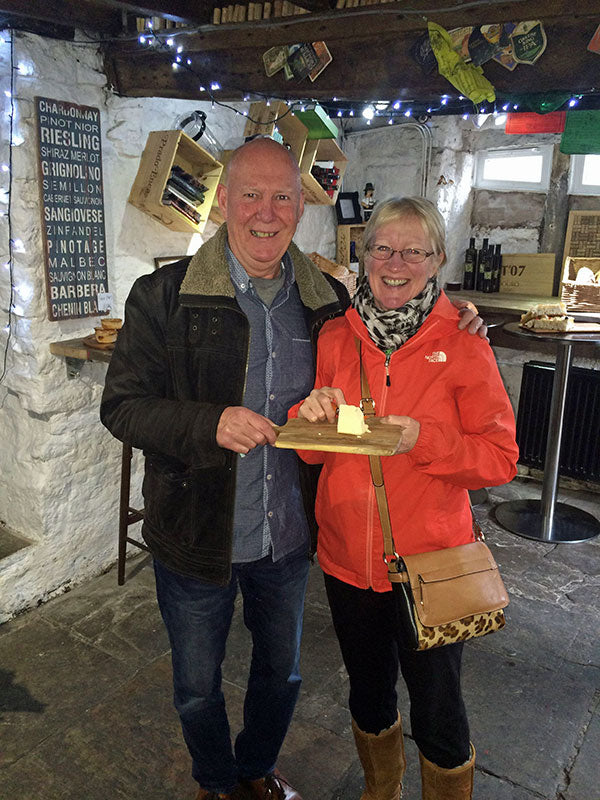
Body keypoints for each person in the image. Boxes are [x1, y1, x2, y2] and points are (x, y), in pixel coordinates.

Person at [100, 139, 489, 800]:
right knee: (197, 684)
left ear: (299, 209)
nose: (267, 211)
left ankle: (255, 768)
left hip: (289, 535)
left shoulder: (328, 305)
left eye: (283, 196)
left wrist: (459, 319)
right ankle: (216, 782)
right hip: (197, 533)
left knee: (280, 676)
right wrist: (207, 423)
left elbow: (391, 332)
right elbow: (123, 407)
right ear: (224, 201)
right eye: (250, 194)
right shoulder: (163, 297)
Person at [291, 197, 519, 800]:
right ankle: (381, 790)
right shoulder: (337, 336)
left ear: (437, 259)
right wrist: (307, 413)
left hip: (431, 563)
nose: (397, 263)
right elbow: (315, 450)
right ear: (361, 257)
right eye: (382, 248)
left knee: (439, 713)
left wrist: (425, 440)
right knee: (367, 697)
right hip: (346, 559)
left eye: (414, 250)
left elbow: (499, 458)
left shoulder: (465, 344)